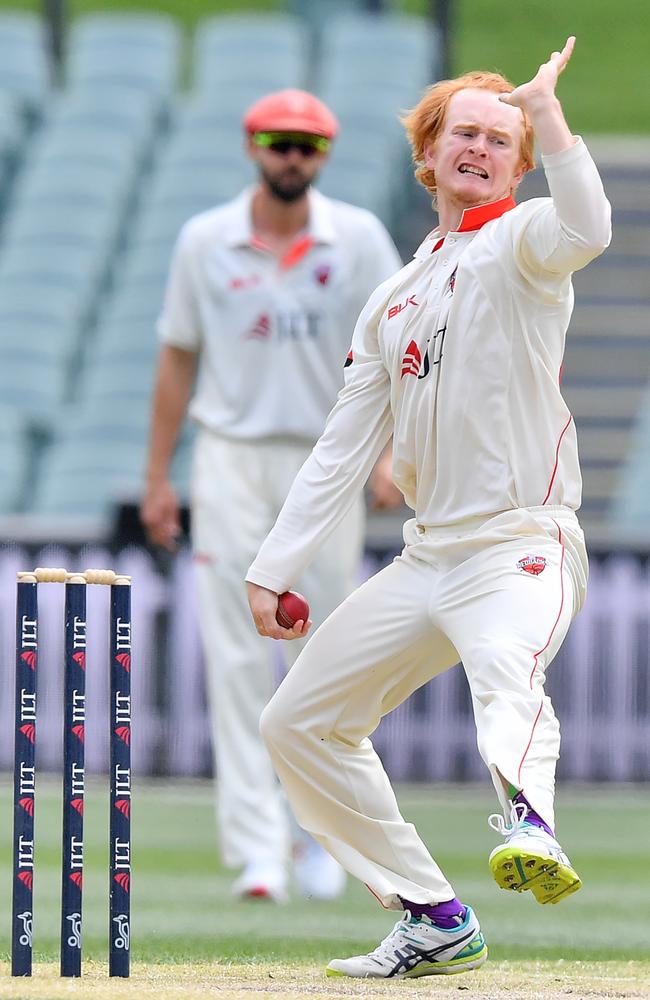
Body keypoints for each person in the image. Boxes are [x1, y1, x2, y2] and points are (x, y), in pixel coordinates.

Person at [246, 39, 611, 978]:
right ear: (431, 151)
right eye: (466, 133)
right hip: (429, 557)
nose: (481, 148)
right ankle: (432, 915)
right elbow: (341, 447)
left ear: (518, 162)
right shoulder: (393, 298)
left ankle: (531, 823)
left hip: (522, 543)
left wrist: (550, 112)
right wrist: (272, 569)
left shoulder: (525, 243)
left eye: (502, 138)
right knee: (297, 723)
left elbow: (589, 225)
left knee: (503, 661)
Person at [140, 88, 403, 903]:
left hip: (328, 462)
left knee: (324, 656)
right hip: (230, 458)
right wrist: (158, 477)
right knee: (233, 655)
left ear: (324, 154)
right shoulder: (205, 240)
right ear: (253, 145)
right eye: (279, 142)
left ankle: (322, 840)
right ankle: (258, 851)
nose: (292, 156)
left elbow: (401, 350)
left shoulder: (357, 238)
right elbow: (178, 359)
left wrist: (392, 453)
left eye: (307, 144)